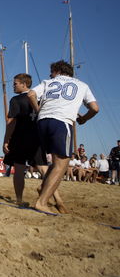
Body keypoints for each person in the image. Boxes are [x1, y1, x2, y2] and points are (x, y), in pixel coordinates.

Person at [29, 60, 99, 214]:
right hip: (61, 122)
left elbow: (31, 94)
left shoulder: (49, 82)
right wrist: (84, 118)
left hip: (42, 122)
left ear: (58, 71)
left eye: (51, 72)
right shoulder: (81, 85)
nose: (50, 75)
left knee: (57, 163)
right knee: (62, 164)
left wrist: (39, 110)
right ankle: (42, 202)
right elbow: (95, 108)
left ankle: (44, 187)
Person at [2, 73, 58, 206]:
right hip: (37, 137)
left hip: (20, 138)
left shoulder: (16, 100)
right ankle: (57, 198)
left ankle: (19, 199)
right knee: (44, 169)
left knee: (19, 169)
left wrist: (5, 140)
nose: (13, 86)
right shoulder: (41, 98)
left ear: (24, 84)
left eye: (15, 83)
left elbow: (11, 122)